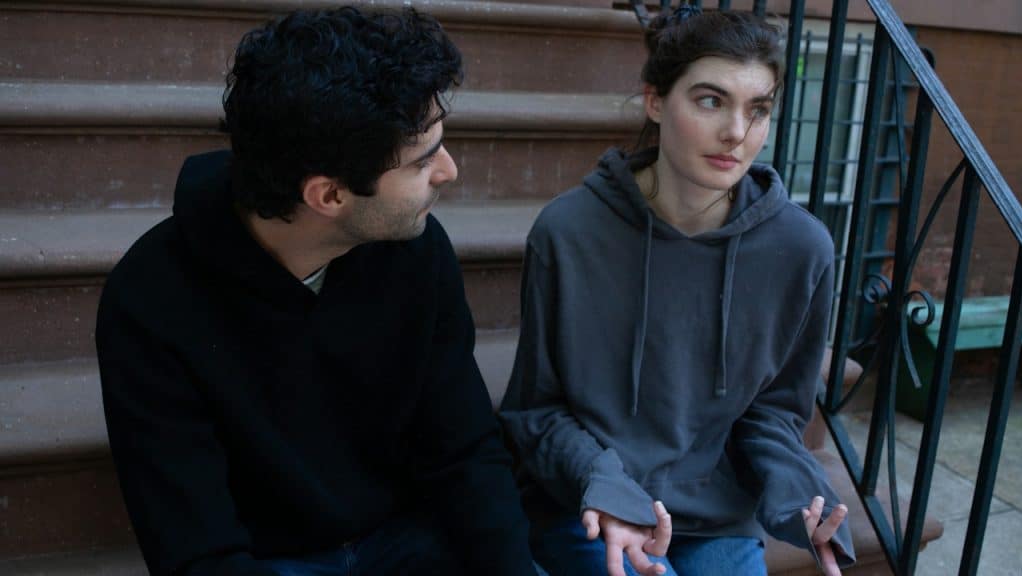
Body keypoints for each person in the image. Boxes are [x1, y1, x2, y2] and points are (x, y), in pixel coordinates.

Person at [96, 7, 538, 575]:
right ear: (328, 196)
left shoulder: (415, 250)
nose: (448, 171)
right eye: (424, 159)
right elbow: (197, 554)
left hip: (413, 540)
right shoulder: (151, 301)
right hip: (272, 562)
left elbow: (465, 452)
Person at [499, 6, 856, 576]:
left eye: (757, 109)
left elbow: (774, 414)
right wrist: (605, 488)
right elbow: (536, 410)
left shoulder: (801, 248)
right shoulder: (569, 232)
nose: (737, 133)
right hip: (589, 503)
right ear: (656, 100)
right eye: (711, 101)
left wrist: (800, 501)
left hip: (716, 516)